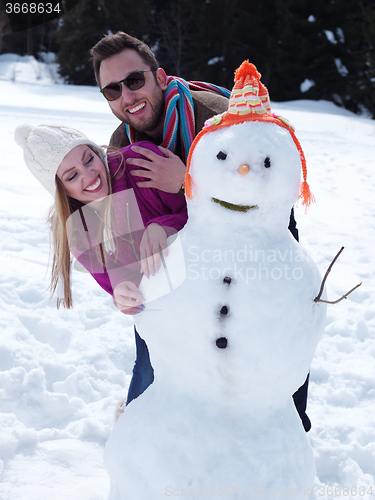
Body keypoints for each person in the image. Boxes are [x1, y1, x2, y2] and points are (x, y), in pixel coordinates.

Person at [89, 31, 310, 430]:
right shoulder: (121, 142)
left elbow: (268, 189)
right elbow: (121, 228)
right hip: (181, 250)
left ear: (159, 77)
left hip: (256, 242)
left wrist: (189, 182)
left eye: (135, 80)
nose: (127, 95)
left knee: (271, 326)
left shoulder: (218, 117)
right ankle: (147, 425)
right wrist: (122, 283)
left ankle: (287, 428)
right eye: (112, 89)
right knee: (157, 330)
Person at [14, 123, 187, 318]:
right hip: (162, 314)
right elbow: (118, 285)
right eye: (72, 176)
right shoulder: (76, 230)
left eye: (88, 159)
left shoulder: (140, 163)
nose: (89, 176)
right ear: (61, 191)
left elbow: (204, 213)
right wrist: (122, 292)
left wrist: (164, 227)